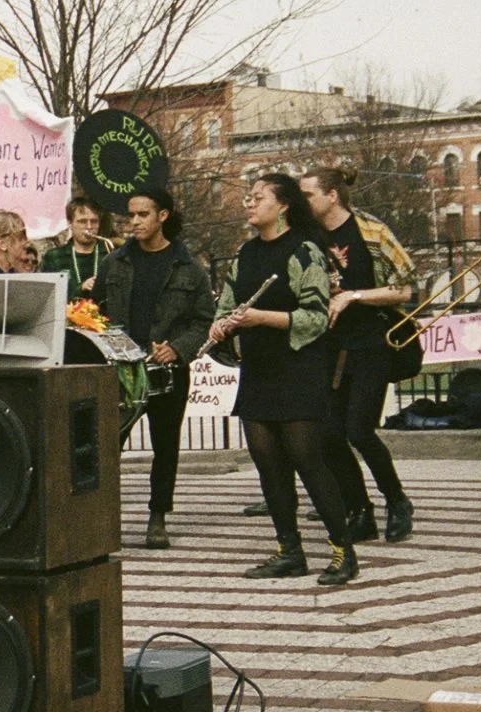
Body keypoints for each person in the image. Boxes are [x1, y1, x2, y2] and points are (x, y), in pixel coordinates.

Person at [206, 172, 357, 585]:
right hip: (259, 370)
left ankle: (343, 550)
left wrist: (260, 318)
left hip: (297, 370)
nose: (249, 204)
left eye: (257, 198)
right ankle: (289, 550)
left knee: (308, 460)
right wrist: (222, 327)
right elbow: (226, 305)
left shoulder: (304, 250)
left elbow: (315, 318)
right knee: (268, 464)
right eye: (248, 198)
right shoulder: (245, 253)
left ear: (284, 205)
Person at [299, 166, 418, 545]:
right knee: (329, 434)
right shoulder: (308, 238)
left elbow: (404, 290)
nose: (303, 203)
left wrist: (355, 295)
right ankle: (358, 509)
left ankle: (397, 500)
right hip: (329, 346)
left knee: (359, 429)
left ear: (332, 195)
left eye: (308, 195)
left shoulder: (371, 230)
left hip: (372, 341)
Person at [93, 188, 215, 549]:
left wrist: (177, 348)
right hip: (121, 368)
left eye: (143, 215)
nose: (134, 223)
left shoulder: (190, 269)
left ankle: (158, 516)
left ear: (163, 216)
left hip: (168, 369)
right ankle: (101, 518)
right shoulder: (114, 263)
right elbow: (93, 312)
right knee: (107, 444)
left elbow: (203, 321)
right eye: (130, 216)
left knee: (165, 444)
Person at [39, 196, 112, 295]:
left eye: (94, 222)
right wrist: (80, 289)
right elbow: (46, 295)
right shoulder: (53, 257)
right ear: (70, 223)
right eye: (82, 222)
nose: (89, 227)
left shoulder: (109, 253)